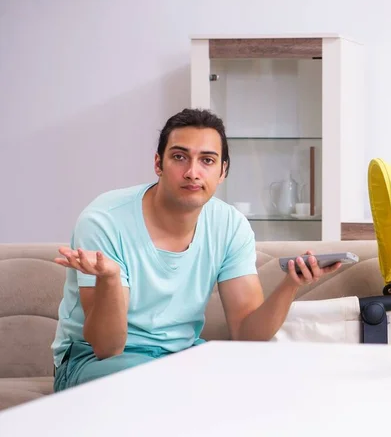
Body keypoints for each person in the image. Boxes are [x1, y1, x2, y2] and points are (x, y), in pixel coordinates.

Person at [51, 108, 341, 392]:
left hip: (181, 359)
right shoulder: (104, 220)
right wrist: (111, 279)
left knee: (274, 383)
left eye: (207, 160)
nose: (192, 172)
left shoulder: (229, 225)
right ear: (158, 164)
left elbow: (247, 334)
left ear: (223, 171)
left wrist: (291, 284)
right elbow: (107, 347)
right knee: (154, 388)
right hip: (92, 362)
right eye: (179, 157)